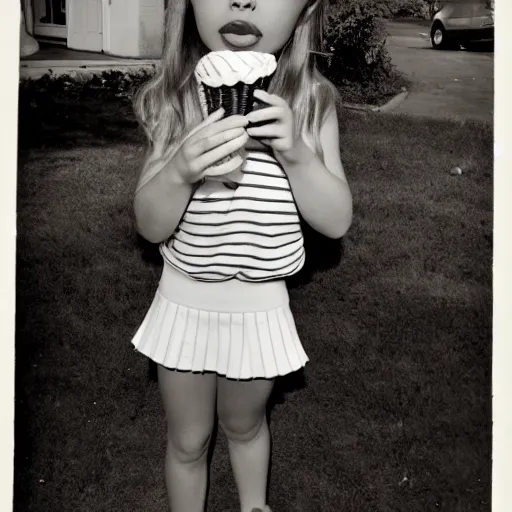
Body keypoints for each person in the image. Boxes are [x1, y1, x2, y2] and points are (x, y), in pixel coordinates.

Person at [131, 1, 353, 511]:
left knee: (245, 423)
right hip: (184, 302)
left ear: (304, 11)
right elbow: (150, 224)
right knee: (188, 440)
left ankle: (255, 505)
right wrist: (180, 171)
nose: (242, 1)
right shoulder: (178, 98)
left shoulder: (310, 101)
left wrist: (296, 151)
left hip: (259, 307)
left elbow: (336, 220)